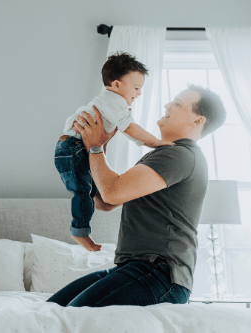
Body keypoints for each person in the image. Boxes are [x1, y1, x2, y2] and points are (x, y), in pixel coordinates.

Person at [47, 85, 227, 307]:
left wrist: (95, 146)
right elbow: (104, 201)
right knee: (52, 309)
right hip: (136, 269)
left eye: (178, 104)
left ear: (198, 121)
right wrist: (82, 157)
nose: (167, 105)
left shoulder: (179, 155)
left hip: (160, 274)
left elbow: (112, 193)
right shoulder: (165, 155)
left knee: (71, 316)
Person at [56, 52, 174, 252]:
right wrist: (154, 142)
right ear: (117, 85)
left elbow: (111, 133)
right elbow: (129, 127)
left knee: (95, 193)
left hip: (74, 148)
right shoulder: (113, 102)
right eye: (136, 88)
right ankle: (79, 231)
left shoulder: (108, 103)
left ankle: (104, 201)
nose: (138, 94)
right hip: (73, 149)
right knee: (82, 192)